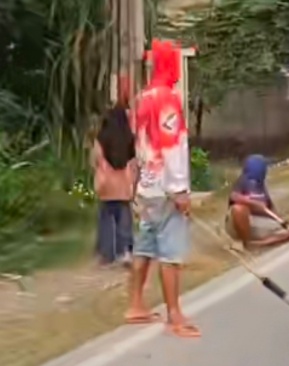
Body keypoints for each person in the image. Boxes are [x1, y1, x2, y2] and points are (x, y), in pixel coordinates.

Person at [125, 39, 199, 338]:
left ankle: (136, 305)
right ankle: (175, 314)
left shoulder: (144, 98)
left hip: (147, 187)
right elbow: (171, 147)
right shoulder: (167, 99)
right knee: (171, 254)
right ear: (169, 65)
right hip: (166, 190)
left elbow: (141, 145)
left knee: (145, 247)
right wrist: (180, 189)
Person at [92, 107, 137, 266]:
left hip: (107, 186)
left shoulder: (102, 137)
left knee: (105, 219)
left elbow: (96, 159)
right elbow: (134, 161)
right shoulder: (129, 138)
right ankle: (125, 251)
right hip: (124, 185)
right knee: (124, 219)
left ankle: (107, 254)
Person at [225, 154, 289, 249]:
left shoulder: (261, 186)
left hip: (257, 224)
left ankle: (258, 244)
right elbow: (234, 196)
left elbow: (271, 210)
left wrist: (284, 222)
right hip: (238, 223)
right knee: (239, 209)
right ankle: (245, 242)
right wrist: (254, 204)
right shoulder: (242, 181)